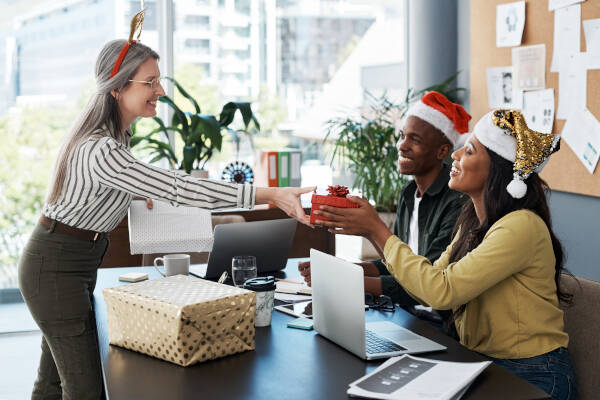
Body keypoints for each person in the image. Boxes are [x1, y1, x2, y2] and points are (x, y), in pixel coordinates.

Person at [17, 13, 314, 400]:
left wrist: (137, 189)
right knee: (86, 390)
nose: (159, 90)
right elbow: (180, 187)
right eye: (150, 82)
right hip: (56, 268)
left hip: (69, 264)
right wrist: (270, 195)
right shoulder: (102, 148)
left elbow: (110, 188)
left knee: (53, 383)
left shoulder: (114, 139)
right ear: (118, 88)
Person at [314, 109, 578, 399]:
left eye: (470, 150)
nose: (456, 155)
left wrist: (377, 230)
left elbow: (442, 291)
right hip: (483, 362)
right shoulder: (472, 222)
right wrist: (370, 233)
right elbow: (429, 280)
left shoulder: (521, 226)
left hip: (533, 373)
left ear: (497, 170)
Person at [299, 91, 470, 335]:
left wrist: (342, 281)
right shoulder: (409, 193)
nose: (402, 146)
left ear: (442, 151)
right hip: (406, 315)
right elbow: (395, 263)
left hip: (441, 325)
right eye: (402, 137)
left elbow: (424, 281)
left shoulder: (458, 202)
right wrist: (343, 269)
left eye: (415, 140)